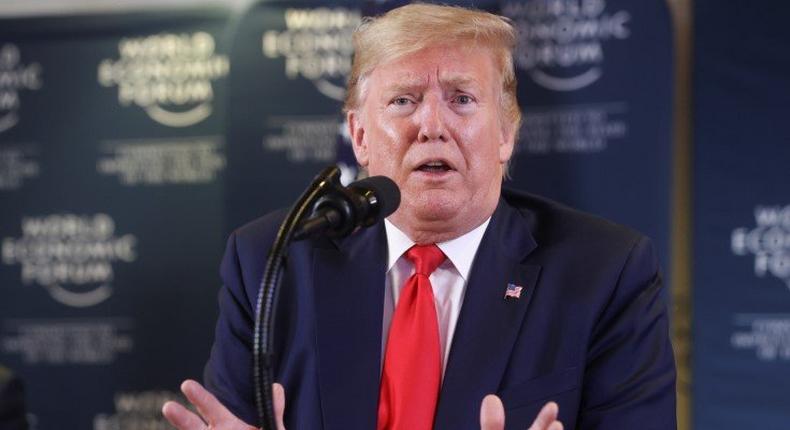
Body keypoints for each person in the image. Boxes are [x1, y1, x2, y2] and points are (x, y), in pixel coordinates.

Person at [162, 4, 676, 429]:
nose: (432, 125)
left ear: (506, 133)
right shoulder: (271, 262)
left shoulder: (606, 273)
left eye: (462, 99)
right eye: (404, 100)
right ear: (359, 135)